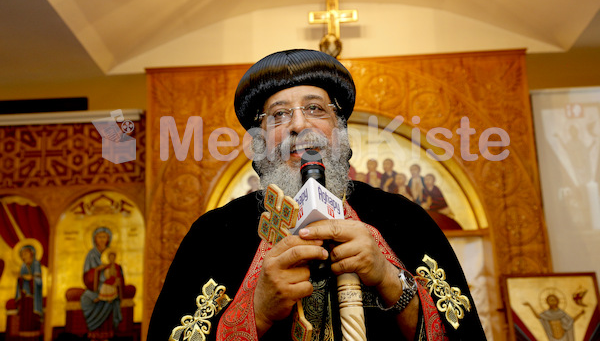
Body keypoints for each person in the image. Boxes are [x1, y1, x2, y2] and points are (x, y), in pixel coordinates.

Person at [148, 49, 486, 341]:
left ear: (340, 132)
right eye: (279, 114)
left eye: (315, 109)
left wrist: (388, 279)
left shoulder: (405, 220)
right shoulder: (213, 236)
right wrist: (259, 311)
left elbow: (462, 333)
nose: (298, 125)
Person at [80, 227, 124, 340]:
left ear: (108, 238)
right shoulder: (91, 254)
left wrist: (113, 277)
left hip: (111, 286)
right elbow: (86, 275)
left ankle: (107, 333)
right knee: (85, 298)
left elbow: (119, 272)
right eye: (99, 237)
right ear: (95, 238)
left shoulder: (111, 253)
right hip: (94, 287)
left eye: (104, 236)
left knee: (112, 298)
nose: (102, 239)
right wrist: (97, 270)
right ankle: (93, 331)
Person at [15, 244, 43, 334]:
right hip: (25, 295)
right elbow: (21, 279)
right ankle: (23, 333)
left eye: (25, 254)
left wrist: (31, 278)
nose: (23, 256)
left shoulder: (36, 264)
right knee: (25, 316)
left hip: (34, 296)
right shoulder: (23, 266)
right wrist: (20, 278)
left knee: (32, 316)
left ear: (31, 253)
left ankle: (33, 333)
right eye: (22, 255)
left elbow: (38, 279)